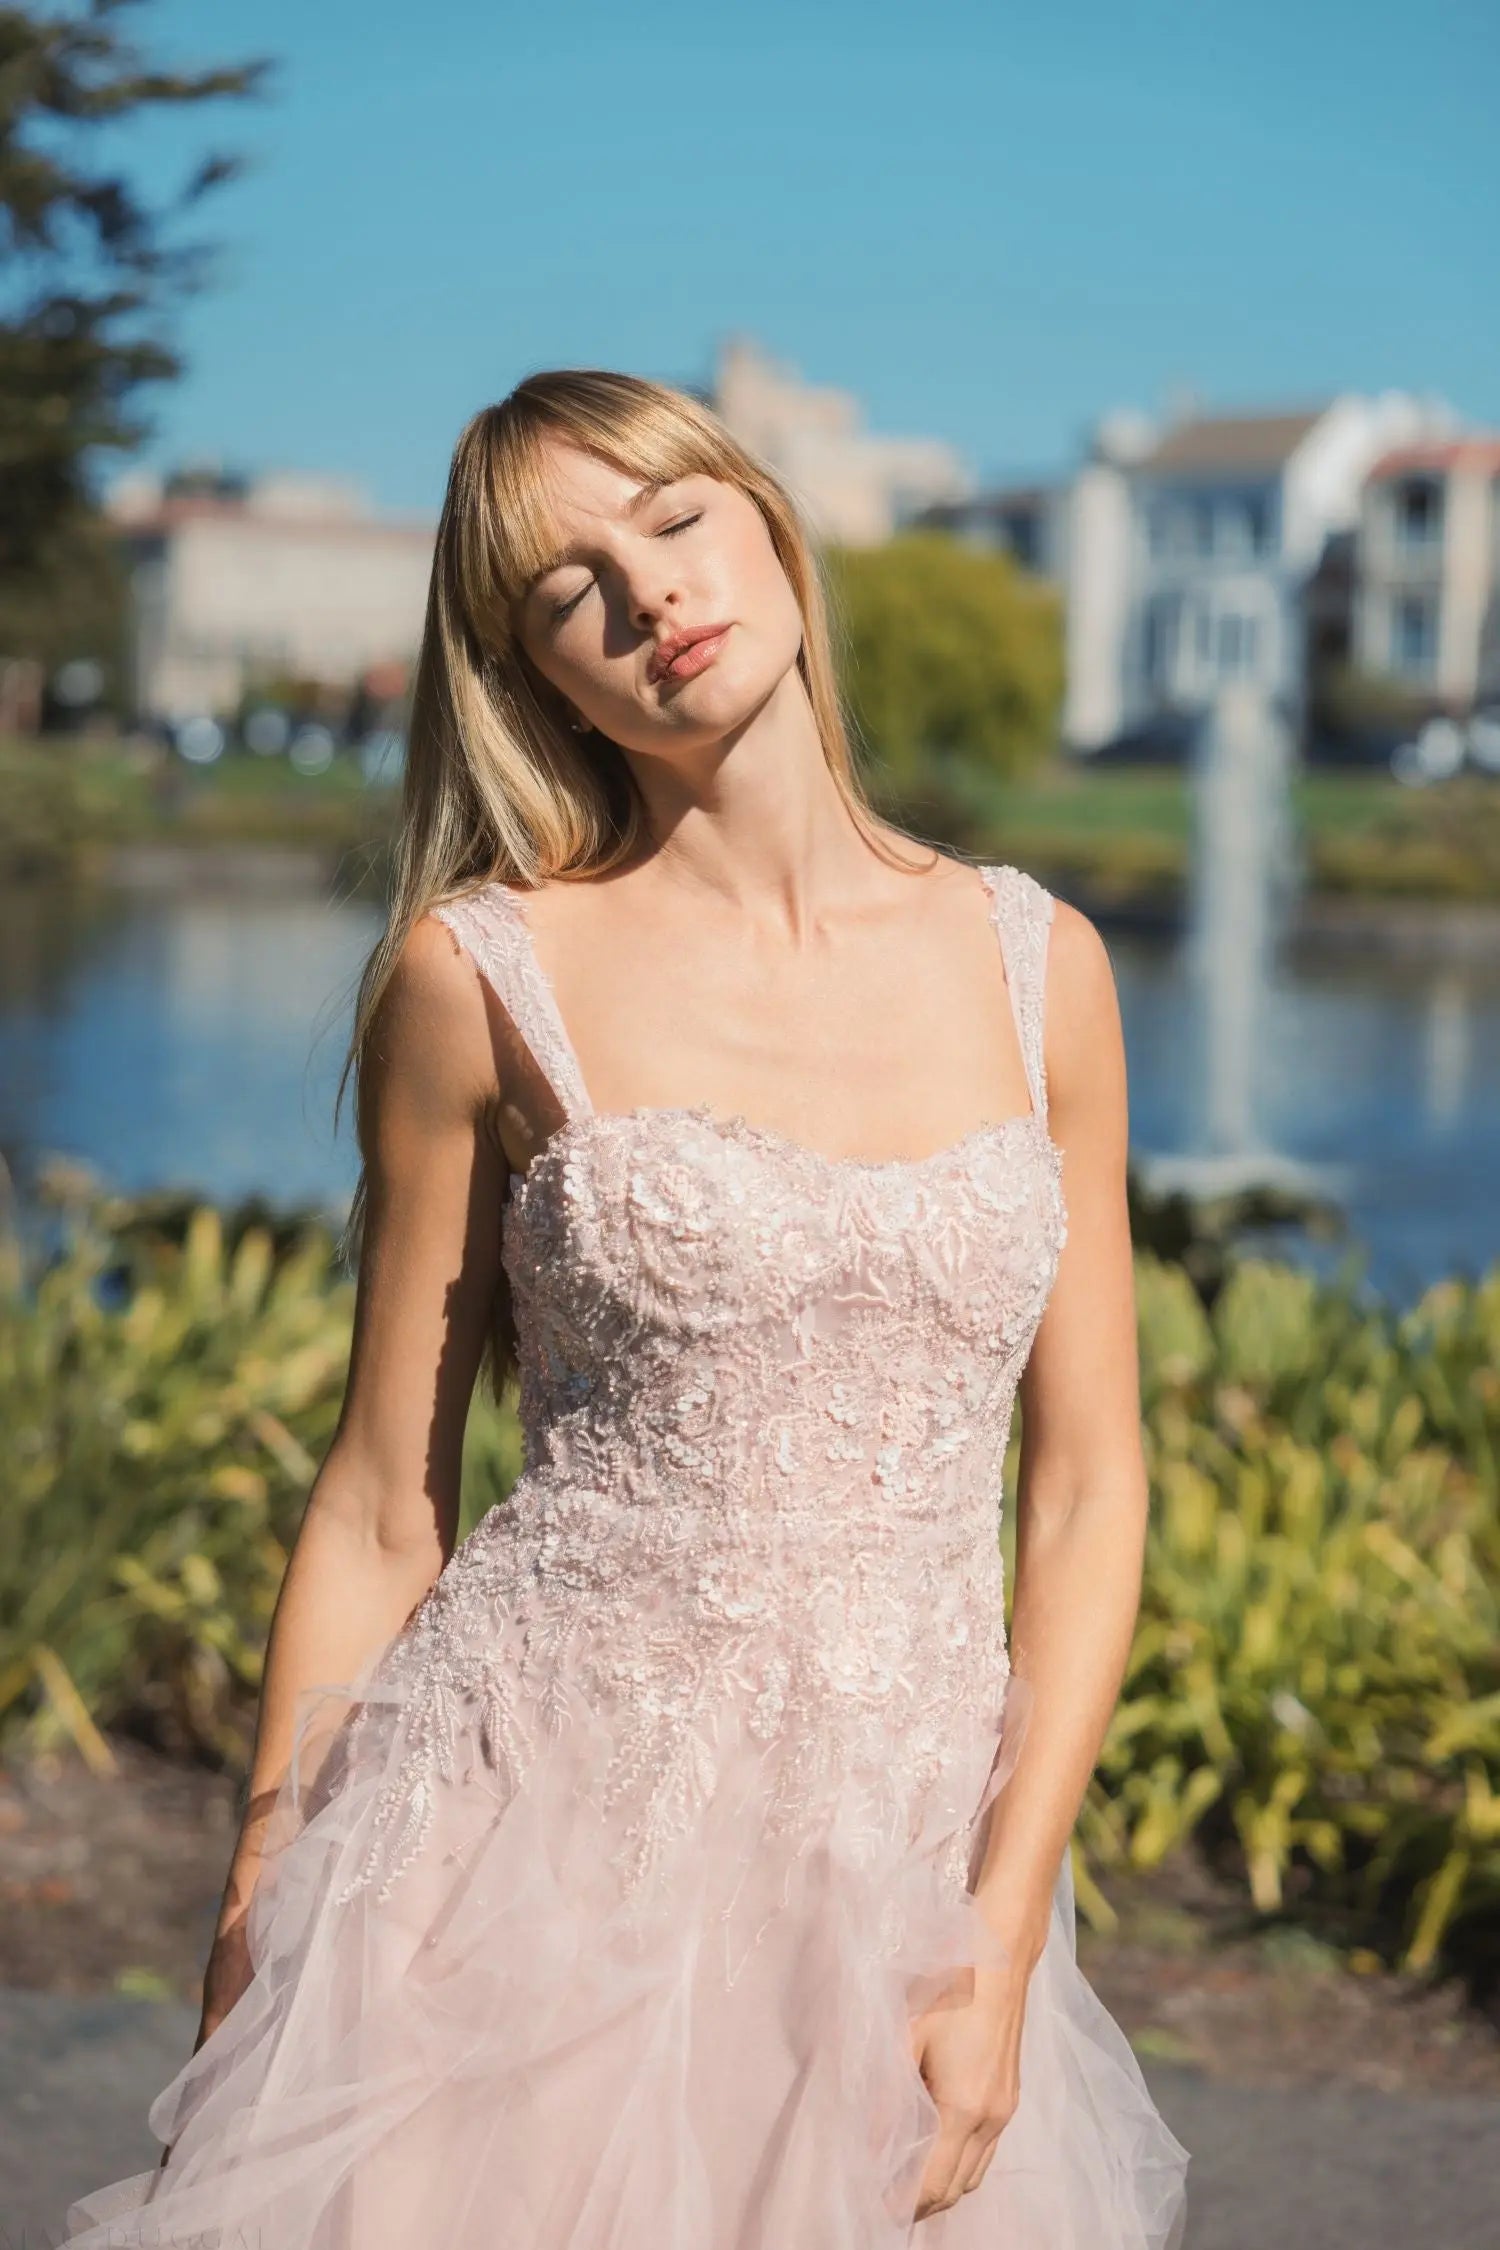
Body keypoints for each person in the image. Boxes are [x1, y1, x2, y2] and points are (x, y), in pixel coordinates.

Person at [66, 368, 1188, 2246]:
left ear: (767, 525)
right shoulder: (480, 976)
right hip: (525, 1850)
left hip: (896, 1863)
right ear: (534, 682)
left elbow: (1084, 1492)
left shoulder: (1039, 964)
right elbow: (378, 1499)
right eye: (566, 589)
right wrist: (266, 1884)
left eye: (670, 519)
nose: (648, 592)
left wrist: (997, 1935)